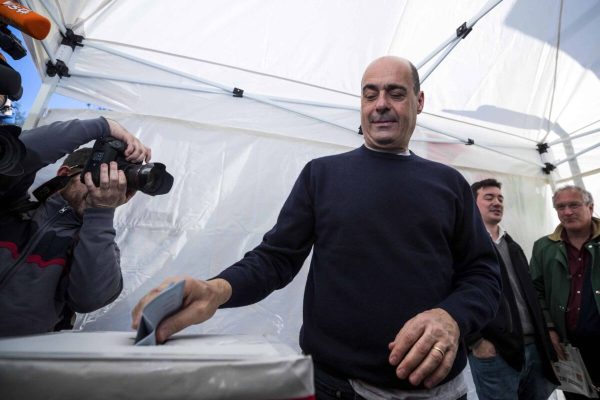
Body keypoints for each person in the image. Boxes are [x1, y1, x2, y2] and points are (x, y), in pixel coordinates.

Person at [132, 56, 501, 399]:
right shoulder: (322, 174)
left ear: (419, 101)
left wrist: (451, 317)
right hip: (337, 388)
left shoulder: (449, 183)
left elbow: (483, 273)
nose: (381, 104)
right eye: (370, 94)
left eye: (396, 93)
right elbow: (275, 259)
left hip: (440, 391)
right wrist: (216, 289)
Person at [0, 117, 150, 337]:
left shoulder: (93, 242)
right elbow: (18, 152)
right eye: (99, 177)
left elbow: (89, 299)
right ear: (65, 173)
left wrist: (101, 211)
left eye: (117, 184)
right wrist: (103, 126)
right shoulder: (10, 207)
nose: (106, 188)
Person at [468, 178, 559, 399]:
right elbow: (452, 291)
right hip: (496, 354)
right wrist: (475, 341)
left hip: (534, 350)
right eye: (488, 197)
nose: (497, 202)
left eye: (500, 198)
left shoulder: (512, 245)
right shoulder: (464, 245)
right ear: (472, 203)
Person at [530, 185, 600, 399]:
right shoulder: (544, 247)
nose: (567, 212)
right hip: (568, 347)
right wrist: (549, 328)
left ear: (590, 206)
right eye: (561, 207)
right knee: (577, 396)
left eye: (574, 205)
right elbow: (536, 291)